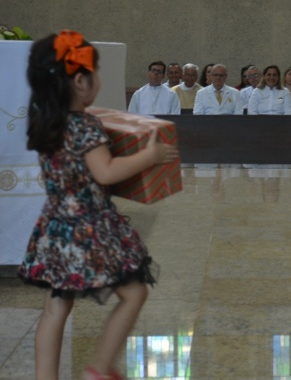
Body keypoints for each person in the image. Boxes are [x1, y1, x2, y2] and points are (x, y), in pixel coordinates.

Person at [18, 31, 179, 380]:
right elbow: (105, 172)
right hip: (89, 229)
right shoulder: (85, 126)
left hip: (56, 228)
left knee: (56, 306)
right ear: (79, 80)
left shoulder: (46, 122)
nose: (98, 80)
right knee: (134, 292)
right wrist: (149, 155)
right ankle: (100, 368)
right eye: (96, 72)